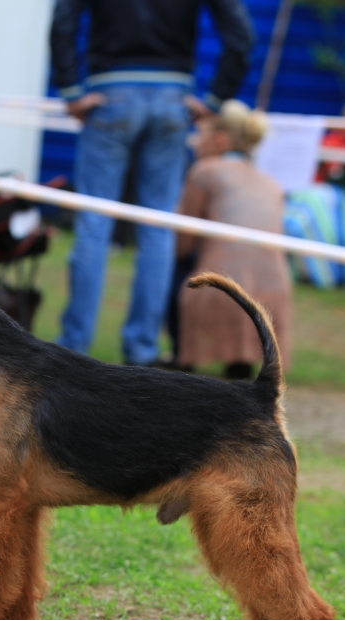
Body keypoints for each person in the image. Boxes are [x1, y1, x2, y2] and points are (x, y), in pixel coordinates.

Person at [50, 0, 254, 365]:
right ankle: (142, 350)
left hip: (109, 93)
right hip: (172, 97)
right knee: (158, 227)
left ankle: (73, 346)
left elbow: (63, 21)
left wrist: (70, 91)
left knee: (94, 223)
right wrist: (216, 99)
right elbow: (241, 35)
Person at [174, 100, 292, 379]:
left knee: (181, 268)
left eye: (199, 136)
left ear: (220, 139)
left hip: (222, 286)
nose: (195, 144)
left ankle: (183, 356)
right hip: (276, 289)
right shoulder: (271, 182)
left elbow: (183, 240)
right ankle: (240, 363)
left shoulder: (204, 171)